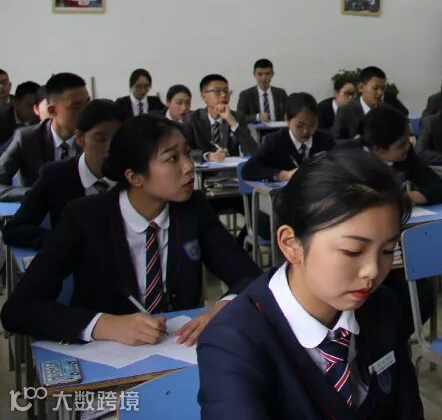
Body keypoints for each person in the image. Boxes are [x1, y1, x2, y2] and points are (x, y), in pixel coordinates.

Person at [197, 150, 424, 419]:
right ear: (291, 245)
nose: (373, 270)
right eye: (352, 251)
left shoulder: (383, 306)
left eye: (387, 250)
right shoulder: (232, 341)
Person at [1, 115, 262, 345]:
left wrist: (223, 306)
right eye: (172, 158)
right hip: (107, 361)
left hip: (179, 351)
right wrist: (106, 325)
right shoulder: (84, 217)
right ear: (135, 177)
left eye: (187, 153)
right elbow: (19, 309)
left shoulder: (193, 208)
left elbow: (249, 276)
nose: (188, 166)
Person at [361, 104, 442, 334]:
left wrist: (408, 197)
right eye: (401, 144)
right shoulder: (353, 164)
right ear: (378, 150)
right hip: (365, 258)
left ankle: (395, 343)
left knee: (422, 299)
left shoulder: (405, 156)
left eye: (409, 139)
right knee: (381, 304)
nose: (408, 146)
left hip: (397, 253)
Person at [3, 99, 123, 249]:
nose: (110, 147)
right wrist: (63, 240)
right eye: (100, 139)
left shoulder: (131, 174)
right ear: (79, 138)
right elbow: (14, 229)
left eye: (117, 139)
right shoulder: (56, 176)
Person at [0, 72, 89, 188]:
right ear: (52, 110)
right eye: (76, 106)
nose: (86, 112)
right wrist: (35, 194)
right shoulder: (26, 138)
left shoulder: (94, 137)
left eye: (87, 103)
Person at [243, 93, 335, 182]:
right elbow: (248, 170)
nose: (306, 131)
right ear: (287, 119)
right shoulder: (275, 142)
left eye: (312, 125)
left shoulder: (326, 140)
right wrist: (283, 175)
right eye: (300, 126)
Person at [182, 74, 258, 162]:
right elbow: (184, 152)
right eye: (218, 91)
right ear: (204, 96)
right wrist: (208, 156)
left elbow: (253, 151)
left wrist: (232, 121)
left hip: (230, 169)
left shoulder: (236, 117)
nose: (224, 95)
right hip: (203, 169)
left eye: (226, 91)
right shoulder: (192, 119)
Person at [333, 66, 390, 140]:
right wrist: (354, 142)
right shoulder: (345, 111)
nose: (380, 93)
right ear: (361, 87)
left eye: (382, 88)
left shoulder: (388, 111)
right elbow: (335, 141)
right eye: (375, 88)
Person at [236, 58, 288, 124]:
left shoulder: (281, 93)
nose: (264, 78)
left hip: (279, 129)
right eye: (260, 74)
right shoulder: (245, 95)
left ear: (272, 74)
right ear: (254, 75)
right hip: (256, 130)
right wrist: (257, 117)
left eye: (267, 74)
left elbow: (289, 113)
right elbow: (238, 118)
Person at [0, 80, 40, 148]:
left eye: (38, 106)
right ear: (15, 103)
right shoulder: (2, 118)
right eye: (30, 105)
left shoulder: (43, 118)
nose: (35, 110)